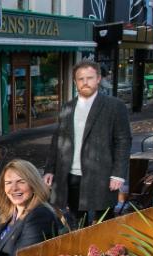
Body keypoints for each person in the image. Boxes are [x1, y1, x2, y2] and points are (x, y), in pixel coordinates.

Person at [43, 60, 131, 226]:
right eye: (80, 79)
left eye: (89, 78)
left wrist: (118, 173)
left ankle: (104, 252)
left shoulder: (114, 106)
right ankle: (79, 251)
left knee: (104, 221)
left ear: (98, 79)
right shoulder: (67, 107)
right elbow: (58, 140)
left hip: (102, 176)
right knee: (76, 221)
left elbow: (123, 141)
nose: (85, 82)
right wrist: (50, 169)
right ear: (75, 81)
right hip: (71, 176)